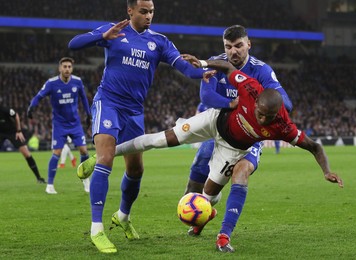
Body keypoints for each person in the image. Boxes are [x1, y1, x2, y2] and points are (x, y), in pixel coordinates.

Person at [78, 57, 344, 253]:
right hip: (214, 121)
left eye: (266, 116)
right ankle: (102, 156)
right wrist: (204, 63)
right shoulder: (251, 87)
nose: (261, 117)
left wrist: (326, 171)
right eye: (259, 112)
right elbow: (228, 67)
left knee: (209, 196)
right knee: (160, 139)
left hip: (232, 149)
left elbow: (315, 146)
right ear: (257, 98)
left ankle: (206, 217)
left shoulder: (283, 127)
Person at [68, 0, 204, 253]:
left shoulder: (160, 42)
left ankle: (123, 216)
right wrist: (101, 36)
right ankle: (96, 229)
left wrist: (205, 70)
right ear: (130, 10)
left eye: (151, 11)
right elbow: (73, 44)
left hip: (134, 112)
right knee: (106, 158)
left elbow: (185, 67)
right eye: (143, 11)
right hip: (108, 103)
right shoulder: (114, 30)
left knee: (136, 169)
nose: (148, 16)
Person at [184, 25, 292, 236]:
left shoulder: (261, 70)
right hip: (218, 128)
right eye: (228, 47)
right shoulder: (216, 62)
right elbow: (206, 97)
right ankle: (195, 209)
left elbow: (286, 103)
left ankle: (224, 233)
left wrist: (256, 105)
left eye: (239, 46)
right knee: (200, 165)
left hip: (249, 135)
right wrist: (232, 104)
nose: (233, 51)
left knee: (238, 173)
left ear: (248, 45)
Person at [27, 57, 91, 194]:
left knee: (84, 151)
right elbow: (39, 96)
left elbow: (84, 99)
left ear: (72, 68)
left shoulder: (77, 81)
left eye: (69, 67)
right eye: (65, 66)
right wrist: (31, 107)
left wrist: (88, 114)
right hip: (59, 124)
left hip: (75, 123)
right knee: (56, 152)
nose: (67, 69)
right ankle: (49, 185)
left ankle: (86, 180)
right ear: (60, 68)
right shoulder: (52, 83)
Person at [0, 106, 46, 184]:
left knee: (26, 153)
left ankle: (39, 178)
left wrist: (19, 131)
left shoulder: (4, 109)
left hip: (12, 132)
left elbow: (16, 115)